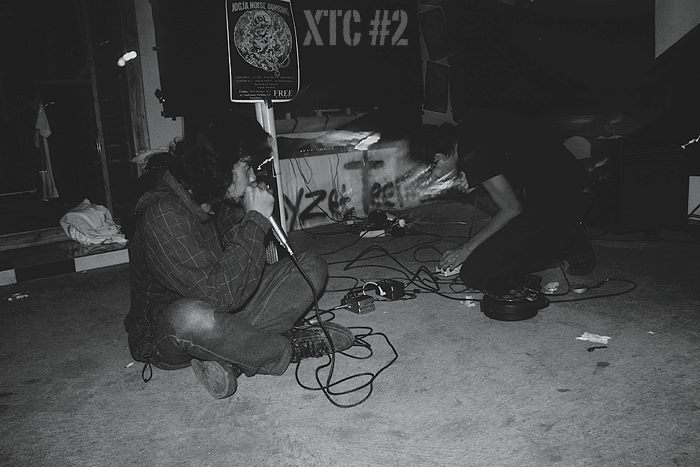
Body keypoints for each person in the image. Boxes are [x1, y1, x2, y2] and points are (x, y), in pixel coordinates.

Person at [124, 114, 354, 399]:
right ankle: (285, 347)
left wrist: (251, 219)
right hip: (172, 332)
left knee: (310, 266)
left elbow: (244, 274)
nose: (253, 177)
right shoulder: (162, 215)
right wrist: (255, 220)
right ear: (218, 165)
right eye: (247, 166)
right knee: (190, 316)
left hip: (226, 313)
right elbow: (220, 296)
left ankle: (233, 355)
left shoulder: (217, 197)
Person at [410, 108, 595, 296]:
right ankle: (557, 240)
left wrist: (465, 250)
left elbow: (512, 208)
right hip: (568, 185)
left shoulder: (472, 155)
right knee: (496, 240)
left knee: (474, 274)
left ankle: (561, 245)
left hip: (564, 200)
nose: (436, 178)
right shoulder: (468, 130)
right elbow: (506, 154)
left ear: (439, 158)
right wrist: (475, 177)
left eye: (432, 173)